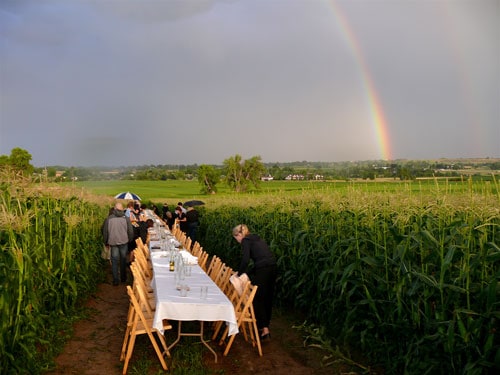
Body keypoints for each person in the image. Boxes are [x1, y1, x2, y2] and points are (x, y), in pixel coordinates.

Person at [232, 224, 277, 340]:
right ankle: (266, 325)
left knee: (257, 297)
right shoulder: (256, 238)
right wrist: (249, 272)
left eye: (235, 237)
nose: (237, 240)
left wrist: (239, 273)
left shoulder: (245, 241)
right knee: (268, 297)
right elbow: (261, 258)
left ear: (239, 235)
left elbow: (246, 259)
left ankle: (263, 328)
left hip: (263, 269)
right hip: (272, 267)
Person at [103, 202, 134, 286]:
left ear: (115, 209)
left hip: (113, 242)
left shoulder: (109, 219)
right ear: (122, 209)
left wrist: (106, 242)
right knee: (123, 259)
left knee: (114, 260)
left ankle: (116, 280)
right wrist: (130, 239)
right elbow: (130, 231)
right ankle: (123, 278)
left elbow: (105, 232)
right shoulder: (126, 218)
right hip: (124, 241)